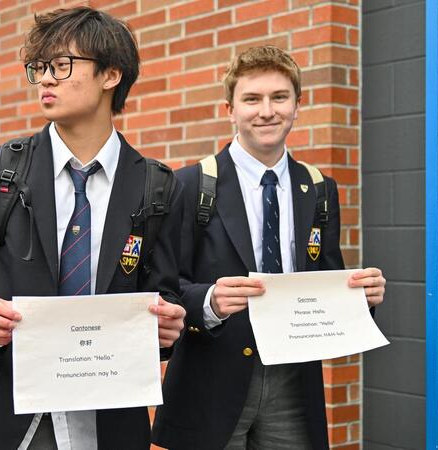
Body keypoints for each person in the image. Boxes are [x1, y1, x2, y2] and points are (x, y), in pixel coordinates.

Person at [0, 6, 186, 450]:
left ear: (111, 74)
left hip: (107, 418)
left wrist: (166, 326)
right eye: (40, 68)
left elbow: (163, 293)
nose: (46, 79)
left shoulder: (157, 185)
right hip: (3, 415)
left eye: (63, 65)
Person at [152, 46, 386, 450]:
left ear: (298, 104)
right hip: (210, 381)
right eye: (252, 99)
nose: (266, 111)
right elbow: (164, 288)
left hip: (293, 385)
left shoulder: (319, 189)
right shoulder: (189, 185)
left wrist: (361, 299)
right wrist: (208, 301)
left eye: (279, 97)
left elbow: (326, 280)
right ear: (230, 109)